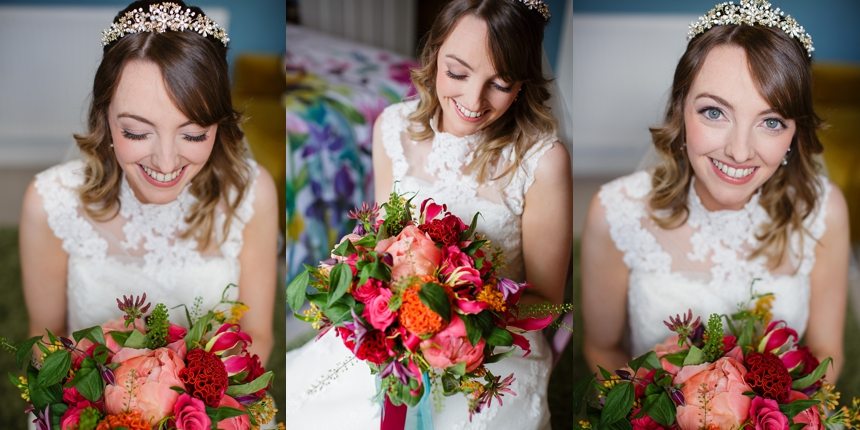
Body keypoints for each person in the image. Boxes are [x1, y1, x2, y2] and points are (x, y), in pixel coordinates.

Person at [285, 0, 572, 428]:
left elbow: (546, 300)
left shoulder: (542, 162)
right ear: (434, 55)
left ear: (522, 84)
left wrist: (457, 320)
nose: (473, 100)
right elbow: (384, 239)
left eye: (500, 83)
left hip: (487, 349)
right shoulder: (392, 128)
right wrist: (373, 288)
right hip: (393, 332)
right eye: (457, 73)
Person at [581, 0, 850, 383]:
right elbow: (603, 348)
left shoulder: (823, 211)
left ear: (795, 132)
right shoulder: (615, 212)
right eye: (714, 112)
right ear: (680, 109)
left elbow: (826, 352)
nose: (739, 152)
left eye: (771, 122)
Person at [19, 0, 279, 364]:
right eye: (137, 132)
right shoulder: (50, 202)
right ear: (105, 116)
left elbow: (258, 335)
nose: (166, 163)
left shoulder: (251, 194)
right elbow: (43, 337)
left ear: (218, 125)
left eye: (193, 135)